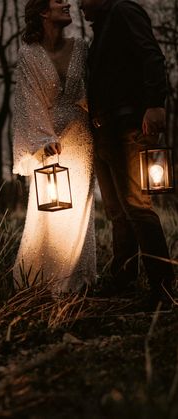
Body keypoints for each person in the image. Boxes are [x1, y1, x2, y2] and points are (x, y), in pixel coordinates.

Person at [81, 0, 175, 304]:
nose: (80, 4)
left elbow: (152, 55)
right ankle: (123, 277)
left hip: (127, 128)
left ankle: (162, 286)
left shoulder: (124, 11)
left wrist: (155, 102)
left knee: (137, 206)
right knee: (117, 213)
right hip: (103, 133)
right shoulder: (100, 32)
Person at [12, 0, 96, 295]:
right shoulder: (29, 54)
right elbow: (26, 100)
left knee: (79, 208)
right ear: (42, 12)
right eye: (59, 0)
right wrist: (43, 140)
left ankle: (77, 283)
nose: (68, 3)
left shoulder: (82, 47)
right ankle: (43, 281)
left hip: (81, 137)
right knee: (49, 212)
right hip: (46, 141)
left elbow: (93, 89)